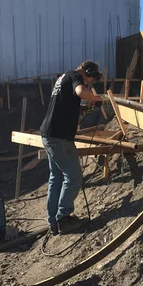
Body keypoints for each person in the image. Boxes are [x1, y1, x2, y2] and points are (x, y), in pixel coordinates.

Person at [40, 60, 103, 235]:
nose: (89, 84)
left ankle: (53, 221)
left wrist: (89, 106)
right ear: (87, 72)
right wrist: (96, 97)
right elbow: (81, 92)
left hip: (49, 134)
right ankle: (64, 218)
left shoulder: (63, 78)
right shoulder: (76, 77)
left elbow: (70, 105)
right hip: (59, 138)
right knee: (74, 177)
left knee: (56, 178)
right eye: (90, 81)